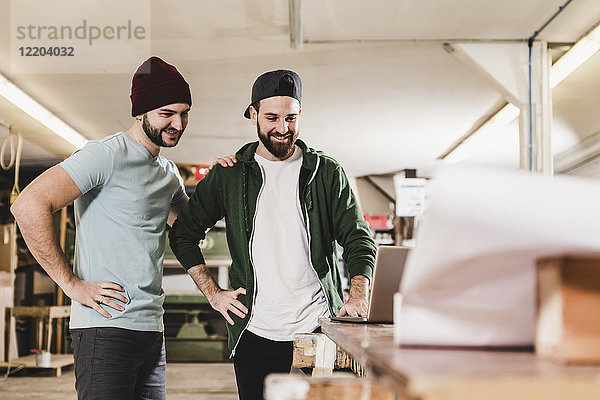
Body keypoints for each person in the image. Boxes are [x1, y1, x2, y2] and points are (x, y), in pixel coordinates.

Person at [169, 69, 377, 400]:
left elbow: (358, 238)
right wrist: (213, 293)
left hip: (319, 324)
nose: (282, 128)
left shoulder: (326, 173)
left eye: (291, 118)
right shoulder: (229, 175)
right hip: (255, 329)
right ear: (252, 114)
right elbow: (183, 234)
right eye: (272, 118)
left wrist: (357, 294)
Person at [11, 56, 192, 400]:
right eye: (166, 114)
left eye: (183, 113)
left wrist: (229, 173)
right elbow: (27, 205)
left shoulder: (168, 172)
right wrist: (71, 284)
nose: (178, 123)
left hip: (151, 327)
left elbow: (190, 225)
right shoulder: (105, 155)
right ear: (140, 113)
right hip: (105, 327)